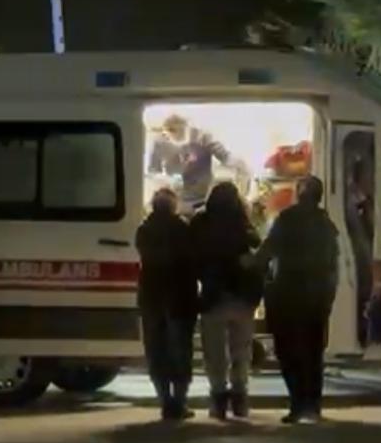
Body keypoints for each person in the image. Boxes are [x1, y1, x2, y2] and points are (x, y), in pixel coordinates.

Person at [253, 176, 339, 424]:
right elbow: (333, 265)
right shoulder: (326, 225)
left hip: (287, 295)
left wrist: (252, 266)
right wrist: (329, 296)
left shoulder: (287, 220)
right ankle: (312, 405)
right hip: (316, 297)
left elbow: (267, 251)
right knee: (313, 352)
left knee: (288, 351)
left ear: (299, 194)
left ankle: (298, 402)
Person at [191, 182, 262, 419]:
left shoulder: (201, 223)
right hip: (242, 297)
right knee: (241, 350)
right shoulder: (243, 224)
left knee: (214, 353)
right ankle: (240, 397)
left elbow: (193, 258)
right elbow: (256, 253)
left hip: (213, 296)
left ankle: (218, 398)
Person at [135, 188, 198, 420]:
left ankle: (164, 400)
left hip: (151, 298)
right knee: (180, 351)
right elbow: (191, 263)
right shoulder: (183, 229)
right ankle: (179, 402)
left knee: (156, 350)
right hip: (179, 298)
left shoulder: (144, 230)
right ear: (173, 206)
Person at [148, 114, 246, 209]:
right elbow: (153, 171)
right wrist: (167, 180)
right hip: (175, 201)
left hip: (203, 199)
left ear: (187, 125)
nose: (176, 133)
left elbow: (227, 158)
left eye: (180, 129)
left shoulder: (203, 137)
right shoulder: (160, 143)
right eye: (171, 130)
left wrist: (241, 168)